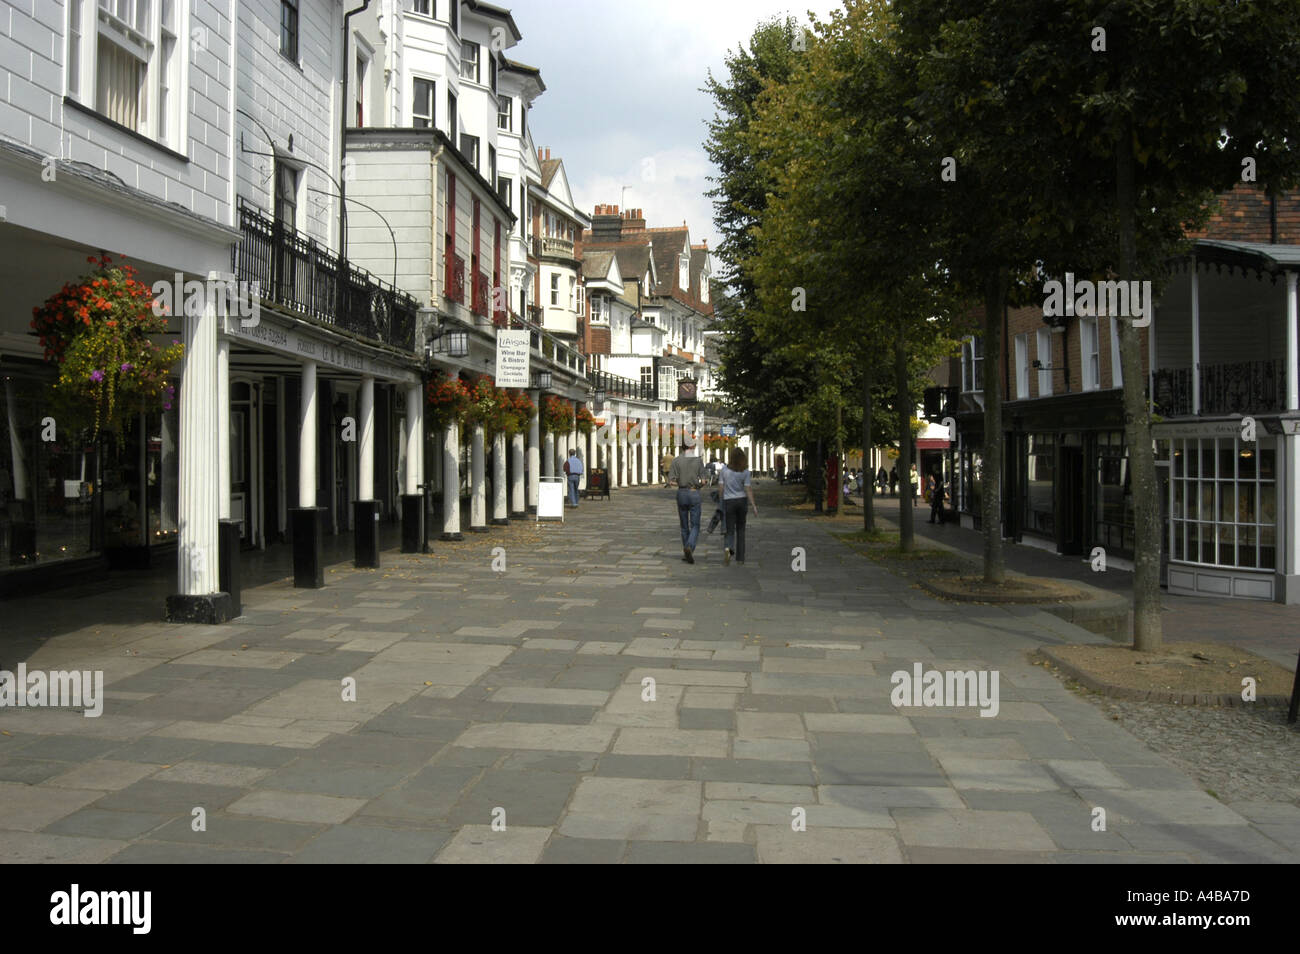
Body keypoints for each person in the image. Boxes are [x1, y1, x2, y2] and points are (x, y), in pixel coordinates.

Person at [719, 447, 758, 565]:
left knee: (729, 530)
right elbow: (748, 489)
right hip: (741, 501)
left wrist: (720, 501)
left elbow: (720, 488)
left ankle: (728, 549)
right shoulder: (745, 472)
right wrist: (754, 505)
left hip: (728, 501)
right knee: (741, 530)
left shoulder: (724, 470)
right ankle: (740, 558)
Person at [667, 446, 705, 563]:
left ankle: (686, 551)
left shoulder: (676, 460)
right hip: (694, 492)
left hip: (682, 493)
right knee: (695, 525)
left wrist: (680, 481)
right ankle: (690, 546)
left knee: (684, 526)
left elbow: (671, 482)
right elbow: (703, 481)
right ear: (692, 447)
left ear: (682, 447)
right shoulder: (698, 460)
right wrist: (699, 485)